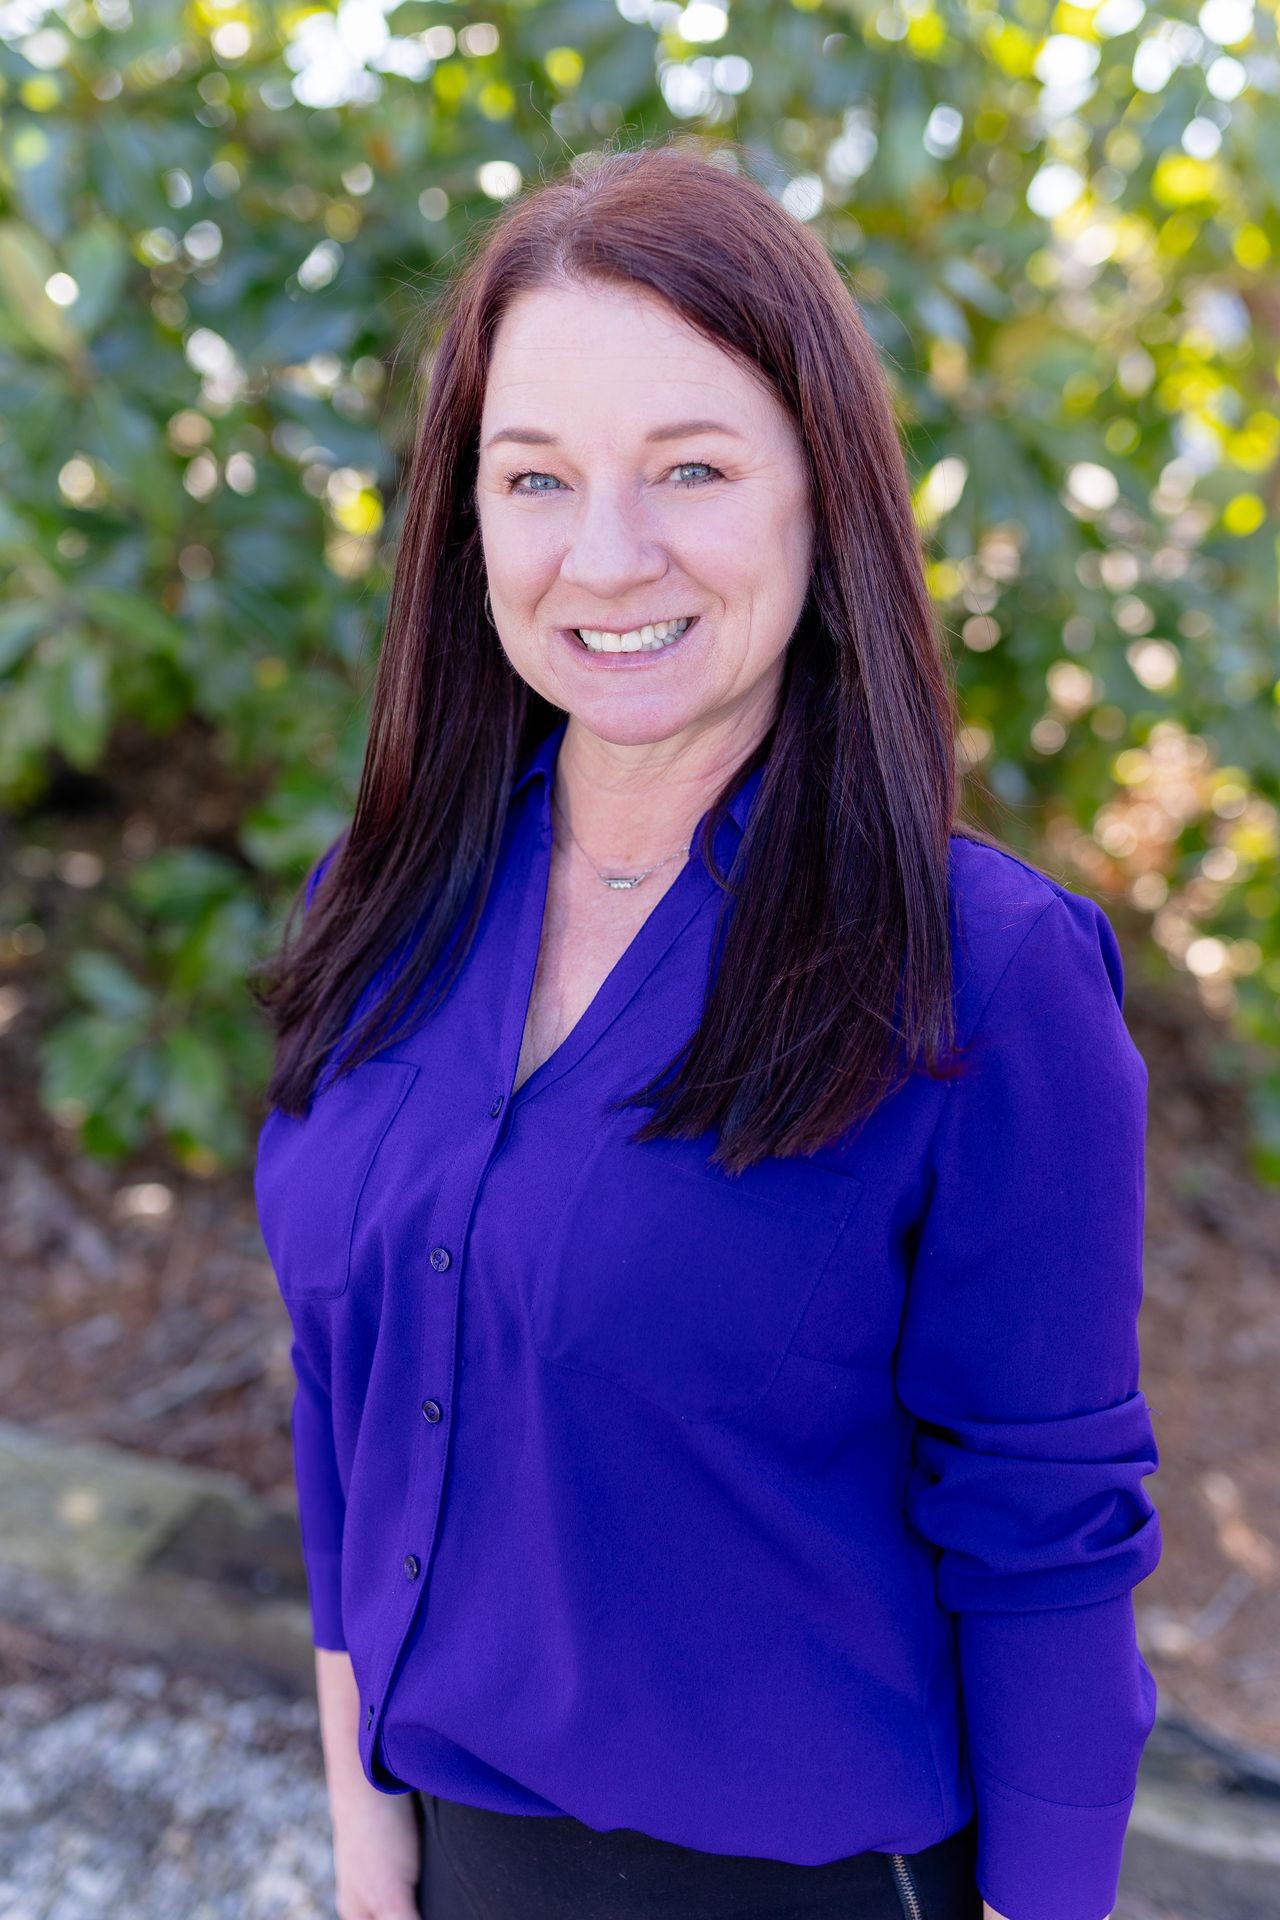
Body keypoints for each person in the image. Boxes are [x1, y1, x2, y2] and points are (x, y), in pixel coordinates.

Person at [250, 139, 1161, 1920]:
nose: (607, 555)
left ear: (822, 492)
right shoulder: (380, 898)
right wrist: (370, 1846)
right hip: (458, 1860)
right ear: (466, 520)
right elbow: (342, 1394)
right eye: (536, 478)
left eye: (691, 466)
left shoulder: (986, 973)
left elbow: (1046, 1541)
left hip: (811, 1884)